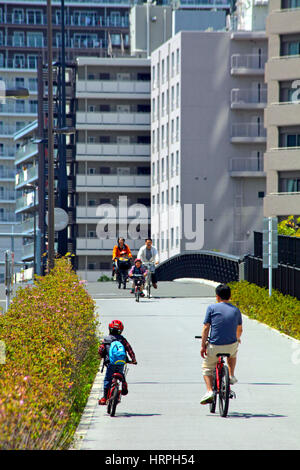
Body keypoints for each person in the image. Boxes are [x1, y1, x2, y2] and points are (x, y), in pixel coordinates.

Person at [200, 283, 243, 405]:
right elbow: (239, 329)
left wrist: (203, 346)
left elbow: (206, 328)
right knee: (233, 354)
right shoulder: (236, 310)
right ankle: (231, 375)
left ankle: (209, 391)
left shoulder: (212, 308)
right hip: (231, 345)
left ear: (217, 296)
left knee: (207, 368)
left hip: (215, 345)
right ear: (230, 296)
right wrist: (237, 338)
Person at [98, 320, 137, 405]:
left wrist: (100, 356)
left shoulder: (106, 339)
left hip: (110, 363)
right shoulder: (122, 340)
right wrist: (133, 360)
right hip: (120, 362)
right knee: (121, 374)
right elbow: (129, 349)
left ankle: (105, 397)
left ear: (110, 329)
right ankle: (124, 384)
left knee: (108, 379)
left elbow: (101, 350)